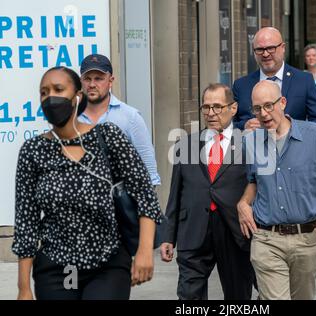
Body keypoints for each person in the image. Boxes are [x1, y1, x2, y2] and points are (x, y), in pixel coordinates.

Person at [12, 67, 162, 300]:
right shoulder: (33, 151)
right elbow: (26, 222)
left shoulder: (108, 136)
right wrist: (23, 288)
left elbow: (144, 194)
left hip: (106, 264)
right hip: (58, 268)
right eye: (44, 92)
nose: (51, 97)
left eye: (59, 90)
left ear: (77, 97)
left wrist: (144, 251)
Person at [237, 80, 316, 300]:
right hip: (266, 239)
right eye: (257, 108)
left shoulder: (315, 135)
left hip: (306, 239)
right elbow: (253, 181)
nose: (263, 113)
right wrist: (243, 202)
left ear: (283, 102)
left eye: (269, 105)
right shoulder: (251, 142)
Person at [160, 84, 255, 300]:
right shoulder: (185, 145)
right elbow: (175, 194)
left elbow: (257, 186)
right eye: (206, 107)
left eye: (218, 107)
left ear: (233, 108)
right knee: (189, 296)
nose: (211, 113)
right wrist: (168, 236)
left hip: (234, 231)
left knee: (238, 296)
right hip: (193, 230)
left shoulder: (248, 144)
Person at [79, 54, 161, 186]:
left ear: (110, 81)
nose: (92, 84)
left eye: (99, 79)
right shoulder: (70, 118)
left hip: (119, 203)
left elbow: (149, 172)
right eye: (87, 79)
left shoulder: (130, 117)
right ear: (81, 81)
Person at [232, 27, 316, 134]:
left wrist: (292, 129)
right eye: (260, 50)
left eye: (271, 48)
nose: (265, 54)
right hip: (254, 149)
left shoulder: (303, 81)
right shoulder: (241, 86)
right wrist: (244, 126)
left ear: (283, 47)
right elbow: (227, 127)